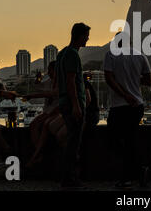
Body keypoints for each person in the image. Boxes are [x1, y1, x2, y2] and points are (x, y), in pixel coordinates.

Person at [104, 32, 151, 189]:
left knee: (115, 140)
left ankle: (127, 177)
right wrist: (132, 82)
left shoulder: (111, 55)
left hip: (119, 106)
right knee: (131, 140)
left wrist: (125, 93)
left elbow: (109, 80)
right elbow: (148, 80)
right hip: (137, 105)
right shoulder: (140, 56)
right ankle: (139, 170)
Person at [56, 23, 90, 190]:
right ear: (80, 36)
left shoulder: (62, 53)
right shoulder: (73, 55)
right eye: (86, 35)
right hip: (72, 104)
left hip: (64, 102)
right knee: (74, 143)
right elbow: (71, 81)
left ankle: (67, 179)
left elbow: (58, 81)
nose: (88, 39)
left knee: (71, 141)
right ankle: (71, 179)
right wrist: (76, 105)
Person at [23, 60, 60, 168]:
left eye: (50, 70)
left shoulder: (62, 82)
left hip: (55, 111)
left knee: (38, 125)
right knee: (34, 125)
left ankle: (38, 154)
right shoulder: (49, 81)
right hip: (48, 110)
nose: (48, 72)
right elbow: (39, 87)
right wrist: (38, 78)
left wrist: (31, 96)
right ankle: (38, 151)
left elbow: (49, 93)